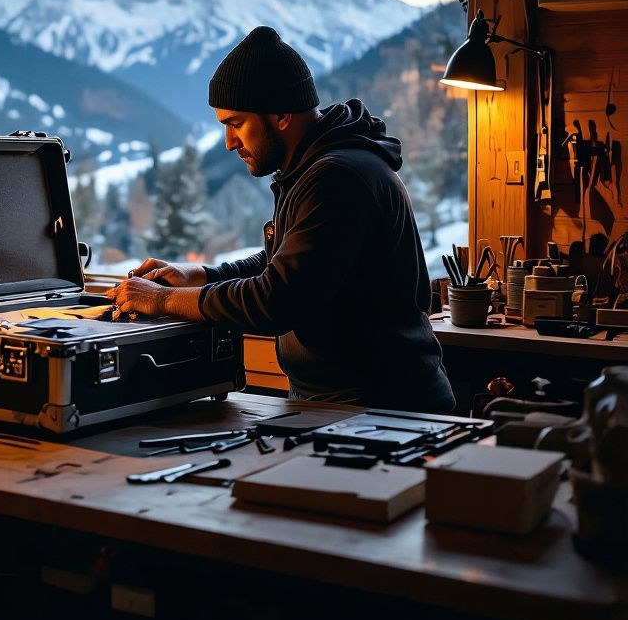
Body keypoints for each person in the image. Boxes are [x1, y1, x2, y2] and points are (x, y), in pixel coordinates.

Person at [106, 25, 456, 414]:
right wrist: (200, 275)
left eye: (236, 124)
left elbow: (277, 299)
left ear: (281, 115)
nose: (230, 143)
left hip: (383, 411)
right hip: (338, 405)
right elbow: (291, 262)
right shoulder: (315, 168)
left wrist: (164, 299)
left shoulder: (338, 177)